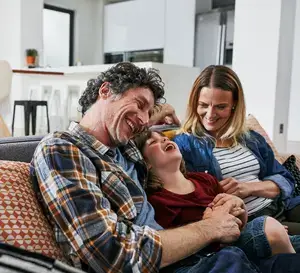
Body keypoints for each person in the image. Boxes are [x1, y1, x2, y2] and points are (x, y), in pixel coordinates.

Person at [30, 62, 290, 273]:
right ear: (105, 91)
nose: (144, 119)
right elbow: (113, 254)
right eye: (140, 105)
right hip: (163, 263)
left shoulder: (124, 146)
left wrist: (226, 212)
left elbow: (146, 127)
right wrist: (212, 228)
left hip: (191, 254)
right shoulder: (63, 149)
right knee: (237, 258)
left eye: (148, 111)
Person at [134, 130, 299, 270]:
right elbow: (178, 250)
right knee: (268, 228)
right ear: (145, 162)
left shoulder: (204, 179)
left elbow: (238, 220)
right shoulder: (157, 201)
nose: (163, 139)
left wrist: (238, 207)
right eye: (152, 142)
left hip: (237, 238)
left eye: (164, 137)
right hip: (210, 255)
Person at [173, 65, 300, 235]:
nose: (210, 114)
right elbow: (191, 201)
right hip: (252, 219)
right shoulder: (184, 145)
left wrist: (248, 188)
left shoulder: (250, 138)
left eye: (220, 107)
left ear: (234, 105)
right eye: (203, 105)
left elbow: (285, 179)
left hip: (283, 205)